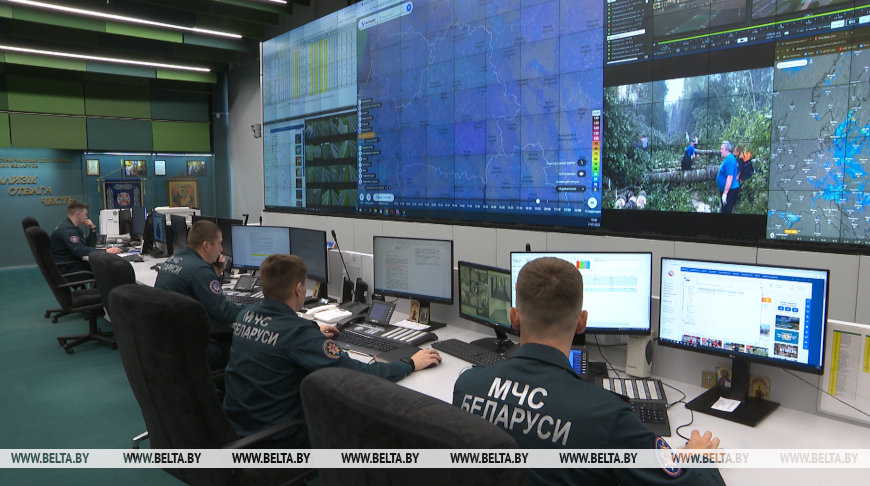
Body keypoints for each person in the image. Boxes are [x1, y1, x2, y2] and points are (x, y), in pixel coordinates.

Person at [452, 257, 725, 486]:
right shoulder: (607, 416)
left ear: (513, 317)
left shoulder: (466, 386)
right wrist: (699, 459)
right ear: (582, 322)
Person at [222, 254, 442, 448]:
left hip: (237, 427)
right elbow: (357, 374)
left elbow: (278, 336)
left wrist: (312, 334)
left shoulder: (245, 315)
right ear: (298, 289)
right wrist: (409, 363)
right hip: (280, 441)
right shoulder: (298, 334)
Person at [155, 220, 240, 368]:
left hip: (168, 343)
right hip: (191, 349)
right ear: (206, 245)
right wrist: (255, 308)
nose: (221, 249)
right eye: (219, 244)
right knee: (244, 349)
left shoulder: (174, 258)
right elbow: (224, 313)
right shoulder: (200, 270)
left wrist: (214, 274)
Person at [50, 200, 122, 277]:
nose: (86, 217)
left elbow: (89, 246)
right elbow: (80, 250)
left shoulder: (74, 228)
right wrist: (105, 251)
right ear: (78, 214)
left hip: (72, 264)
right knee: (105, 270)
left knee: (103, 267)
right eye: (85, 214)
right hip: (67, 269)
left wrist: (92, 229)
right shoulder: (67, 230)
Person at [717, 141, 740, 213]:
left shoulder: (730, 159)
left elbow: (730, 177)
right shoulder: (728, 159)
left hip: (730, 191)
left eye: (722, 149)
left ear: (727, 150)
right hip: (728, 191)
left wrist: (725, 193)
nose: (720, 151)